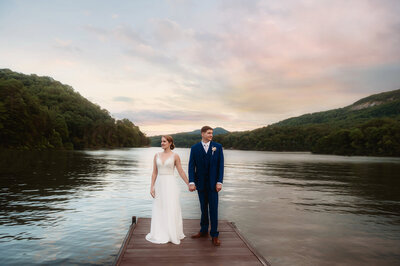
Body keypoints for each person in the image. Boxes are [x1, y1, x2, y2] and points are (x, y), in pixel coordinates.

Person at [145, 135, 190, 244]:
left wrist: (189, 183)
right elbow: (154, 172)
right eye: (161, 141)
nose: (162, 143)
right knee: (159, 207)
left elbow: (181, 171)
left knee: (171, 206)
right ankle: (160, 232)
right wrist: (152, 186)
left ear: (170, 143)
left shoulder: (175, 156)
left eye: (164, 141)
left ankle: (172, 233)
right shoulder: (156, 155)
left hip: (171, 184)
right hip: (160, 183)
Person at [188, 126, 224, 246]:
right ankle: (203, 231)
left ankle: (214, 235)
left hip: (214, 185)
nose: (211, 135)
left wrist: (219, 182)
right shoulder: (194, 148)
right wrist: (192, 182)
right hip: (201, 184)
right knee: (203, 208)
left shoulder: (217, 147)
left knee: (213, 209)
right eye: (209, 133)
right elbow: (191, 166)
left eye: (212, 133)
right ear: (202, 134)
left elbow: (220, 166)